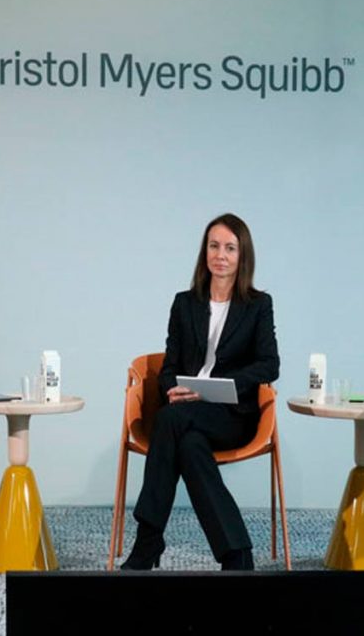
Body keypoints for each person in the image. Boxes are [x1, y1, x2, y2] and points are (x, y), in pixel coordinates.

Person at [121, 213, 279, 571]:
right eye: (213, 246)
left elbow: (270, 365)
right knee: (189, 445)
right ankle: (236, 554)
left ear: (242, 256)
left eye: (229, 248)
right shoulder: (184, 303)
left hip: (231, 415)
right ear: (204, 252)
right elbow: (170, 364)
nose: (220, 255)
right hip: (186, 412)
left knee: (170, 420)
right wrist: (172, 389)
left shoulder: (257, 305)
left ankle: (148, 541)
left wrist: (226, 386)